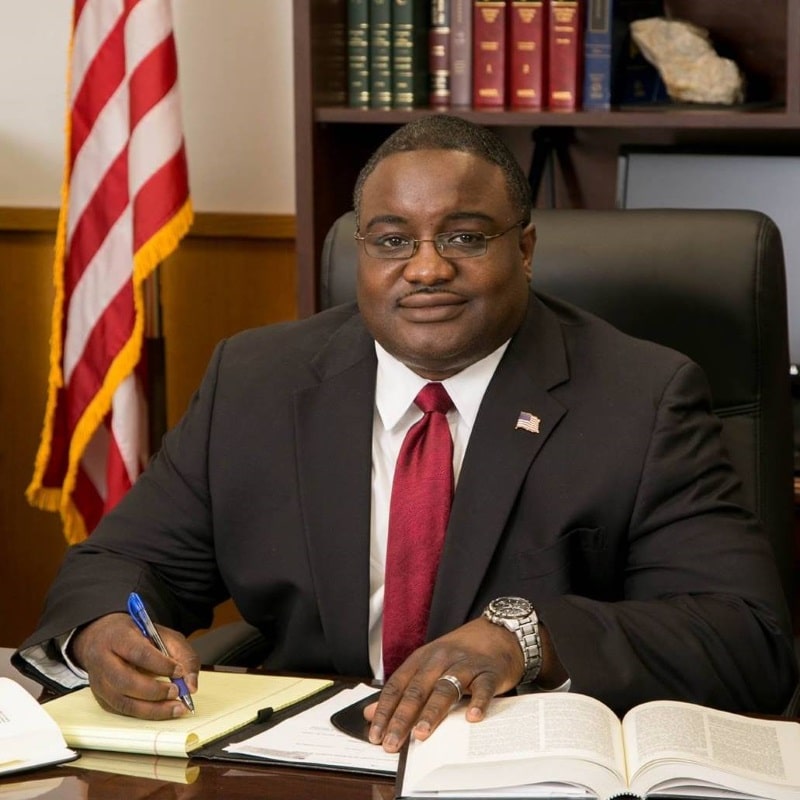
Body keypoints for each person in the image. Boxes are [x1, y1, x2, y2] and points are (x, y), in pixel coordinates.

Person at [15, 115, 796, 753]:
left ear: (524, 250)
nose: (425, 269)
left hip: (522, 757)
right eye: (392, 240)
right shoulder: (256, 381)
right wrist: (103, 632)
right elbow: (124, 562)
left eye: (464, 237)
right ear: (362, 252)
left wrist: (525, 639)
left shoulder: (641, 396)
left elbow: (746, 636)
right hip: (308, 758)